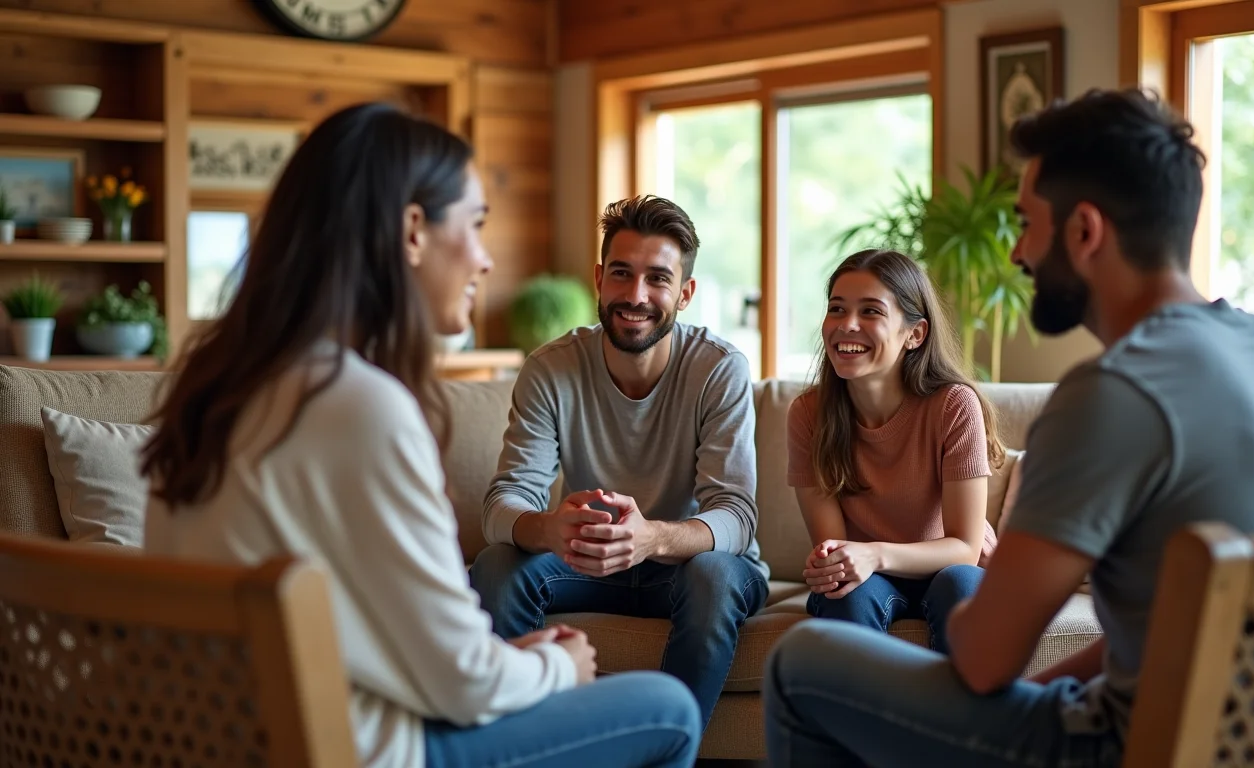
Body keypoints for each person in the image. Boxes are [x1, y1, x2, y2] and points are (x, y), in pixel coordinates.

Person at [139, 103, 701, 768]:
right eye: (476, 224)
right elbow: (462, 684)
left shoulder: (217, 388)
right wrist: (556, 667)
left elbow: (391, 638)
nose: (487, 260)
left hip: (235, 739)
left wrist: (499, 660)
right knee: (670, 710)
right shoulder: (360, 406)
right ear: (412, 231)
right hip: (362, 749)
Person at [763, 87, 1254, 767]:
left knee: (799, 663)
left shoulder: (1109, 394)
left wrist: (978, 554)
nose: (1017, 255)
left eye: (1027, 223)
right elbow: (1159, 633)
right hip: (1238, 743)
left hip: (1112, 747)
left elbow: (981, 661)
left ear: (1085, 231)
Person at [469, 194, 768, 731]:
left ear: (685, 293)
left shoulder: (719, 368)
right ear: (599, 279)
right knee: (496, 564)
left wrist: (651, 537)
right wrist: (549, 527)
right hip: (589, 563)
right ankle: (522, 747)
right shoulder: (550, 369)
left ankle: (664, 751)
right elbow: (501, 506)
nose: (636, 295)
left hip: (688, 567)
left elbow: (737, 517)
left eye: (658, 278)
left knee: (716, 576)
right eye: (622, 274)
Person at [786, 248, 1003, 654]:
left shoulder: (953, 405)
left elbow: (965, 547)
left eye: (871, 312)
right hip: (866, 581)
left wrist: (874, 554)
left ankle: (951, 718)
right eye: (837, 309)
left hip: (947, 569)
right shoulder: (808, 414)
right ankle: (865, 717)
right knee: (846, 593)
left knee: (962, 583)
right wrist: (837, 561)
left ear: (914, 334)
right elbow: (835, 550)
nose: (847, 326)